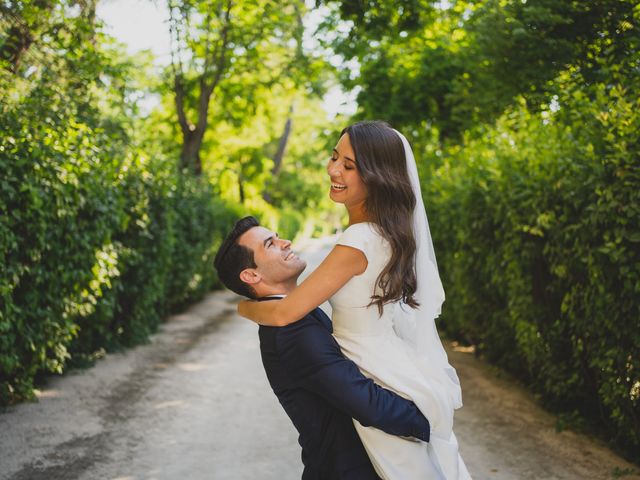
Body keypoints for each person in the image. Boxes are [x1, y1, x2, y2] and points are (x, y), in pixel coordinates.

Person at [238, 121, 471, 479]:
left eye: (349, 166)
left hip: (372, 363)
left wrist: (243, 307)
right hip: (382, 355)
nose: (333, 170)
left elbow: (285, 311)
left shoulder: (358, 241)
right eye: (334, 157)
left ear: (377, 176)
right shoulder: (385, 232)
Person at [214, 215, 434, 480]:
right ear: (251, 274)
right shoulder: (291, 333)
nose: (286, 242)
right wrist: (431, 419)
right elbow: (365, 401)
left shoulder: (291, 314)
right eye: (270, 244)